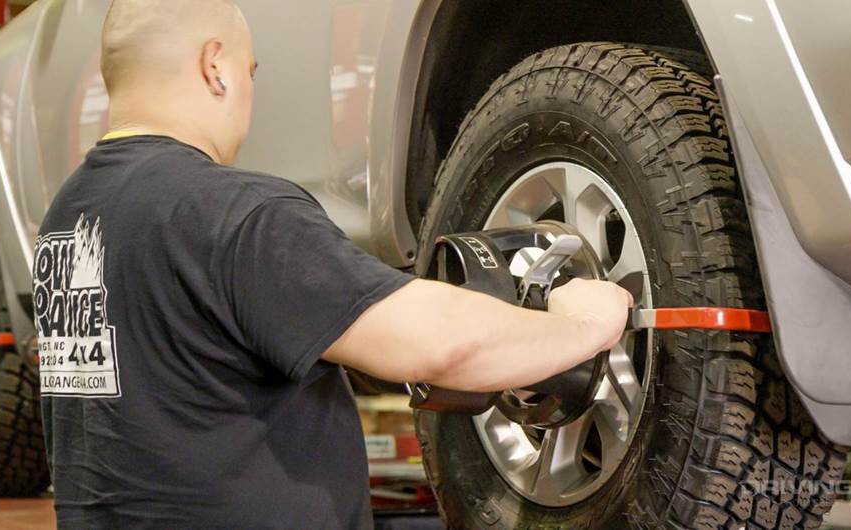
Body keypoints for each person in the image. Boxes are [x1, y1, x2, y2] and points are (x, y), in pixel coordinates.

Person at [32, 1, 633, 528]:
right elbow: (436, 346)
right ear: (214, 65)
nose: (248, 91)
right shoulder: (232, 211)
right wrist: (580, 327)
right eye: (249, 72)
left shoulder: (66, 218)